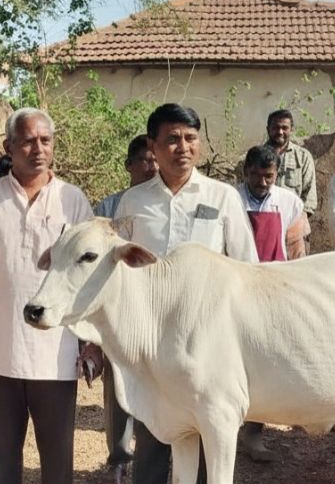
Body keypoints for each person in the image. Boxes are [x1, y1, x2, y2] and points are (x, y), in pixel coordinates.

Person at [113, 103, 258, 484]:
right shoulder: (133, 202)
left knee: (211, 433)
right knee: (153, 437)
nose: (183, 147)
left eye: (191, 138)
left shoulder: (222, 197)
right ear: (153, 145)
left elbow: (247, 266)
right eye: (173, 139)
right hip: (151, 344)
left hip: (211, 344)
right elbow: (117, 272)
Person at [0, 108, 97, 484]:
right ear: (9, 146)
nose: (38, 149)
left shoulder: (72, 200)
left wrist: (91, 342)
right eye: (28, 141)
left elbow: (89, 275)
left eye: (46, 140)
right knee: (2, 461)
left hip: (56, 353)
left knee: (57, 461)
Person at [93, 134, 157, 482]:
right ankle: (119, 457)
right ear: (128, 165)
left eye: (155, 160)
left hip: (154, 313)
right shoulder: (108, 208)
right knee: (117, 386)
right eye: (145, 160)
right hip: (118, 313)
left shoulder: (161, 206)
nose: (152, 167)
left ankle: (155, 456)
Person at [236, 144, 304, 463]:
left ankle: (253, 431)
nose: (262, 182)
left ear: (277, 174)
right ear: (245, 172)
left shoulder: (289, 201)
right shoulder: (230, 199)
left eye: (269, 176)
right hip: (236, 286)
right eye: (255, 175)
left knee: (264, 359)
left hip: (274, 289)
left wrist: (296, 286)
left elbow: (296, 247)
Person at [264, 109, 315, 257]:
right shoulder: (257, 156)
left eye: (284, 128)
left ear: (291, 129)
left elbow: (309, 197)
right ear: (268, 129)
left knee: (297, 267)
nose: (280, 132)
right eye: (275, 127)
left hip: (295, 223)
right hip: (265, 222)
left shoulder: (303, 157)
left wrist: (300, 222)